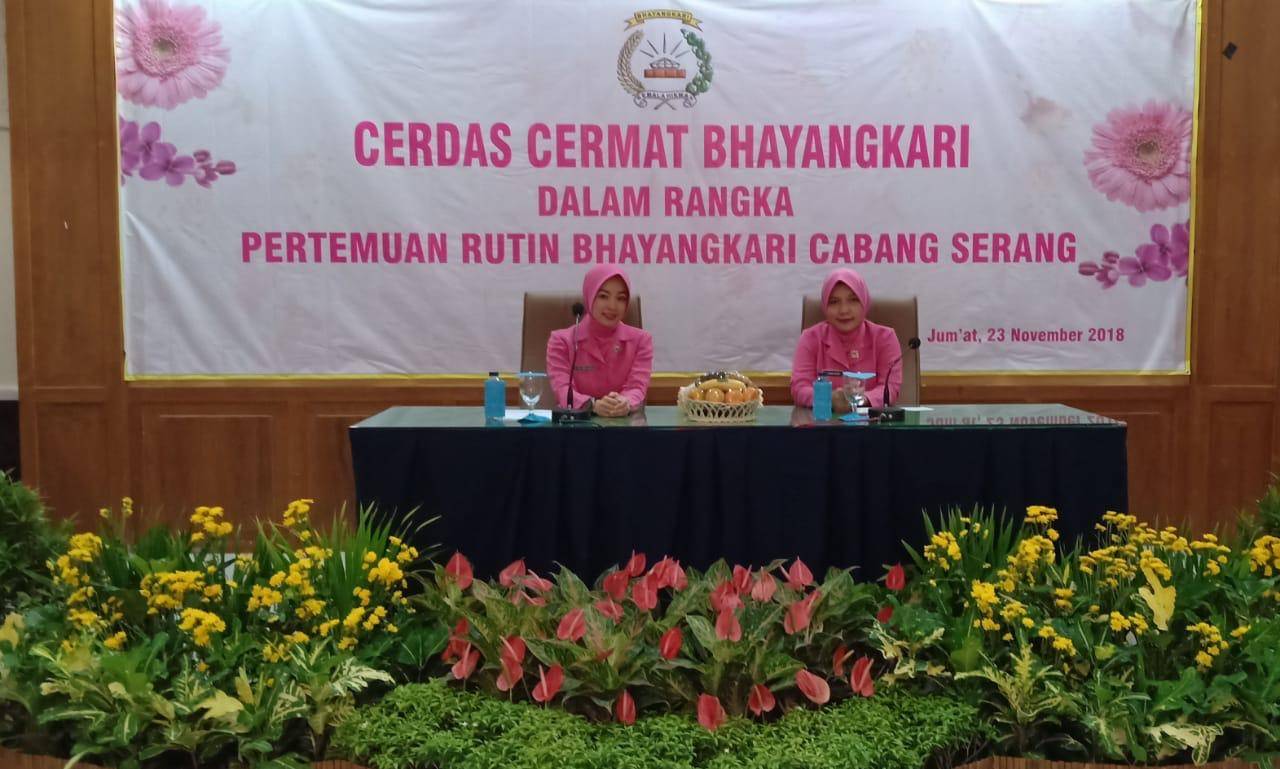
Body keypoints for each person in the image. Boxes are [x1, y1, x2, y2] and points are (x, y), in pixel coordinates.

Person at [547, 266, 653, 416]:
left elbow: (637, 387)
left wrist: (625, 402)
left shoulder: (641, 341)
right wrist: (592, 405)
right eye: (603, 296)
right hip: (577, 425)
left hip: (623, 424)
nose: (612, 306)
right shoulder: (561, 341)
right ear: (589, 296)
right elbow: (563, 390)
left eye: (621, 298)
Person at [791, 268, 902, 411]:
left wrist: (860, 399)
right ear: (825, 306)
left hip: (873, 422)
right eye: (834, 302)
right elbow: (799, 388)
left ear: (864, 302)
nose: (844, 310)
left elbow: (890, 388)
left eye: (853, 300)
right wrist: (829, 398)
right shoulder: (810, 338)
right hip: (822, 422)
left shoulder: (885, 338)